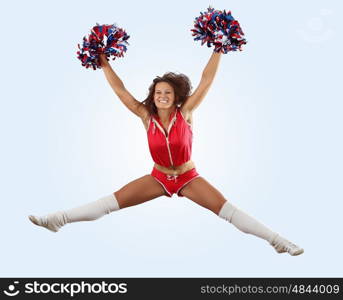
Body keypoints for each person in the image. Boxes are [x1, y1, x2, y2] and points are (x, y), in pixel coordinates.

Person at [29, 52, 304, 256]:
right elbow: (119, 90)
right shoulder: (145, 116)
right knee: (109, 203)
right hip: (159, 178)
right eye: (158, 92)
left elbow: (206, 81)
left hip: (187, 178)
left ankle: (278, 241)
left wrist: (219, 47)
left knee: (229, 212)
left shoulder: (186, 112)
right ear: (153, 95)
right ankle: (57, 220)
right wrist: (103, 61)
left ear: (176, 96)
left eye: (168, 92)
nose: (162, 96)